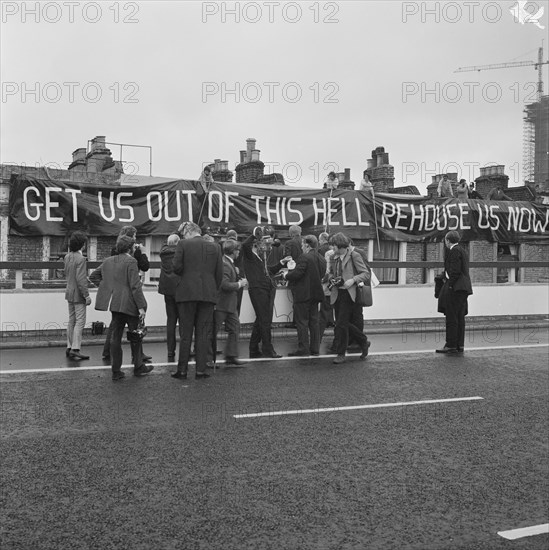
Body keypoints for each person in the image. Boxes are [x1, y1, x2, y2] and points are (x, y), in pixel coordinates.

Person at [90, 235, 152, 381]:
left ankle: (116, 371)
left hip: (115, 303)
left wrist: (109, 289)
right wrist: (142, 307)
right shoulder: (131, 261)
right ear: (130, 248)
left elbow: (93, 277)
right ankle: (138, 367)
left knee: (115, 338)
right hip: (130, 304)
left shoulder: (108, 261)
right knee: (135, 336)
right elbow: (135, 287)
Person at [171, 221, 223, 380]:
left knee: (186, 334)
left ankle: (182, 370)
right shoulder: (215, 247)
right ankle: (200, 371)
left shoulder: (183, 244)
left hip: (187, 293)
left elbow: (176, 268)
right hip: (208, 294)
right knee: (203, 334)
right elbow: (219, 275)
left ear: (188, 232)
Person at [102, 226, 151, 362]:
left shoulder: (114, 251)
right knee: (135, 327)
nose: (136, 238)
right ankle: (138, 358)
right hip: (130, 294)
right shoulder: (132, 255)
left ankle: (108, 352)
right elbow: (145, 266)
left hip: (117, 294)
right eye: (135, 236)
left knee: (115, 326)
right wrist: (143, 252)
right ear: (130, 238)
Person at [242, 226, 288, 358]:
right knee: (265, 320)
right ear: (257, 244)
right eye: (264, 244)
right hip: (258, 289)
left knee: (261, 319)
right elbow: (245, 244)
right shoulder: (249, 256)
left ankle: (253, 348)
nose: (267, 247)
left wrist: (281, 263)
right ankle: (268, 349)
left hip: (264, 288)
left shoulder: (260, 258)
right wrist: (255, 234)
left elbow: (269, 271)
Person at [327, 232, 371, 364]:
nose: (332, 248)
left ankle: (341, 354)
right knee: (343, 324)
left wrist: (352, 280)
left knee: (341, 324)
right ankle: (363, 341)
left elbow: (366, 273)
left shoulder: (354, 255)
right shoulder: (333, 257)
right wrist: (331, 279)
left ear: (340, 245)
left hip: (349, 294)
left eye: (333, 245)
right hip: (337, 293)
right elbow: (330, 272)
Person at [282, 234, 326, 356]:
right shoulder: (322, 258)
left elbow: (297, 274)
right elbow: (321, 274)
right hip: (316, 294)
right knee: (314, 322)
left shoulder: (304, 257)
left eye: (302, 244)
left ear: (307, 245)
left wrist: (286, 275)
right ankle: (315, 348)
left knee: (301, 322)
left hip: (303, 294)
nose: (301, 246)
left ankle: (303, 349)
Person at [436, 230, 473, 355]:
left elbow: (454, 271)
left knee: (451, 317)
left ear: (447, 240)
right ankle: (459, 345)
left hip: (456, 288)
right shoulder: (463, 250)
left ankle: (451, 345)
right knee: (459, 317)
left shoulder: (454, 251)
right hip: (464, 288)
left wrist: (450, 285)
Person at [216, 239, 248, 366]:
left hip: (229, 304)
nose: (239, 252)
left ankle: (231, 355)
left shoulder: (227, 262)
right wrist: (240, 284)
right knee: (213, 331)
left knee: (235, 328)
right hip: (222, 303)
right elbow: (224, 284)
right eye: (237, 250)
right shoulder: (225, 264)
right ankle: (207, 358)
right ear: (233, 251)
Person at [63, 230, 92, 360]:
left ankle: (69, 346)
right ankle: (76, 348)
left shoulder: (67, 257)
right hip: (78, 294)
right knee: (80, 322)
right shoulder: (81, 259)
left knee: (71, 320)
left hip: (69, 292)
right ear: (82, 245)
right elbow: (81, 279)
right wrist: (87, 295)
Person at [158, 234, 181, 361]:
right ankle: (185, 348)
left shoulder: (163, 252)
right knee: (183, 321)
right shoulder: (180, 252)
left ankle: (170, 351)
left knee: (171, 320)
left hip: (167, 290)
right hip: (179, 288)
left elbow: (164, 244)